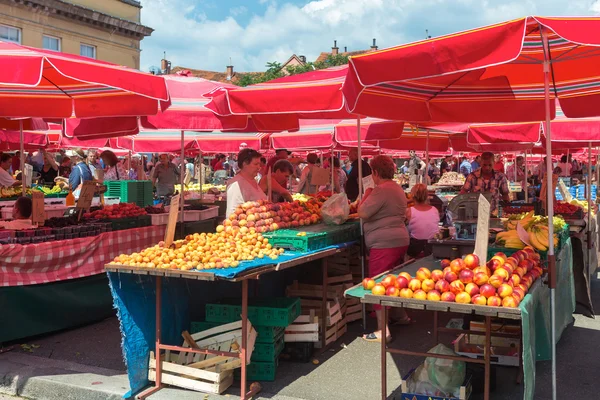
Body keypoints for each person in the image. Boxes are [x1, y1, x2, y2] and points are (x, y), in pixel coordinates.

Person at [358, 155, 410, 343]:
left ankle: (383, 330)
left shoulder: (380, 190)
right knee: (393, 280)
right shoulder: (397, 188)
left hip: (384, 243)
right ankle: (400, 315)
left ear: (375, 172)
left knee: (378, 284)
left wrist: (367, 193)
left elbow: (363, 212)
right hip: (399, 238)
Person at [226, 148, 267, 217]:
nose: (258, 167)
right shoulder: (236, 185)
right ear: (245, 164)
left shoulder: (253, 181)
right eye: (255, 164)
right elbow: (232, 214)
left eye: (259, 164)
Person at [406, 184, 439, 258]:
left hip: (415, 248)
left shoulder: (409, 211)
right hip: (432, 246)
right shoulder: (434, 210)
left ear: (412, 196)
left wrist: (408, 201)